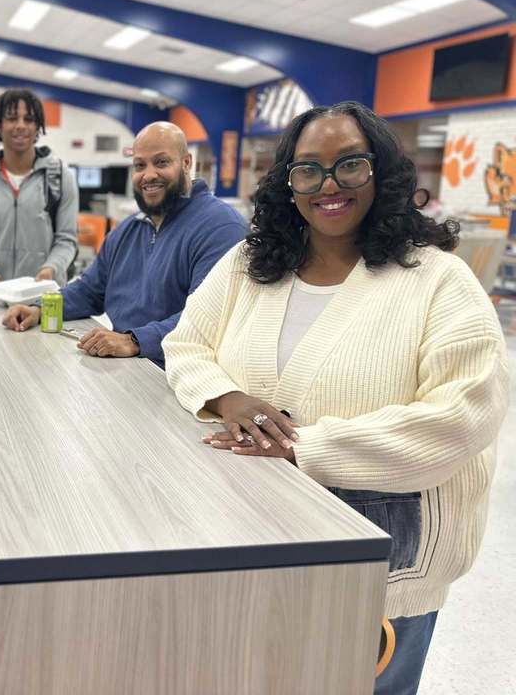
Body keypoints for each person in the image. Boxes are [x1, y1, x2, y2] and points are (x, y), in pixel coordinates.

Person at [161, 102, 508, 695]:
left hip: (387, 564)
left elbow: (463, 416)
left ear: (382, 172)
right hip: (255, 534)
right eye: (308, 170)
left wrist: (306, 449)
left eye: (350, 166)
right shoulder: (250, 265)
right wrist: (225, 396)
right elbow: (186, 343)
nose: (328, 186)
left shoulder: (436, 279)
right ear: (287, 183)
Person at [2, 121, 245, 367]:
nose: (149, 175)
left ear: (186, 163)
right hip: (123, 369)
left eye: (161, 162)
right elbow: (89, 291)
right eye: (140, 165)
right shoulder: (129, 229)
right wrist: (40, 308)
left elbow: (210, 318)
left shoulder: (220, 228)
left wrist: (135, 341)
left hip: (179, 378)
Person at [0, 88, 78, 289]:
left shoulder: (61, 178)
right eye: (12, 118)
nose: (20, 126)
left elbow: (67, 239)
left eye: (29, 119)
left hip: (45, 299)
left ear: (38, 127)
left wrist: (51, 268)